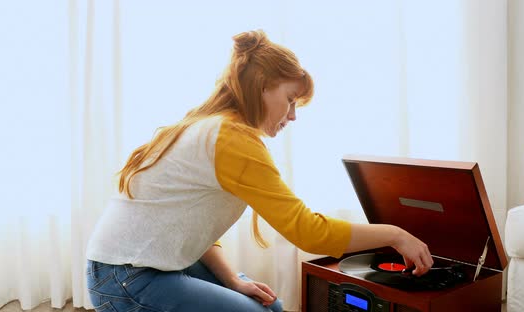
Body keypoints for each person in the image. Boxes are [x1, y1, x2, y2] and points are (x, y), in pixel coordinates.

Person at [85, 29, 433, 312]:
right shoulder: (230, 137)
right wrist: (395, 234)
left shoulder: (209, 126)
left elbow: (191, 229)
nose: (292, 115)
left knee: (273, 307)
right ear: (262, 86)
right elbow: (308, 233)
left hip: (127, 268)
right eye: (291, 99)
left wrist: (233, 281)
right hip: (125, 278)